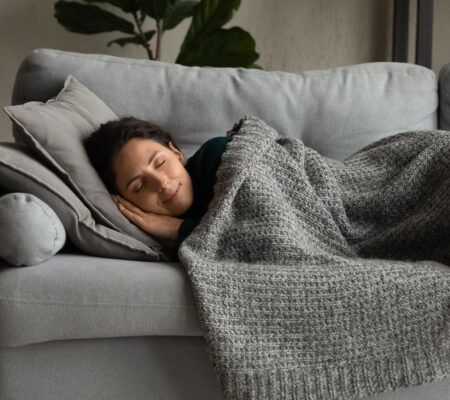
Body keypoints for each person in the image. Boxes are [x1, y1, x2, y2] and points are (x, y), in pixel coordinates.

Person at [83, 116, 229, 250]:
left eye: (160, 163)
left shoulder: (220, 154)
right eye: (139, 186)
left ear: (176, 153)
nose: (161, 183)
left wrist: (178, 229)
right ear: (127, 201)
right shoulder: (160, 237)